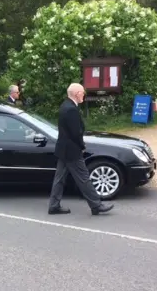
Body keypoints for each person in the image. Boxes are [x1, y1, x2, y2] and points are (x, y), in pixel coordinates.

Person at [48, 83, 114, 216]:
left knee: (59, 179)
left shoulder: (65, 105)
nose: (84, 94)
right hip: (72, 151)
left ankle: (54, 206)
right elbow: (75, 132)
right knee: (84, 178)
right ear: (77, 93)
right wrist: (82, 146)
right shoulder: (71, 109)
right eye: (83, 92)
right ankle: (96, 205)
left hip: (63, 150)